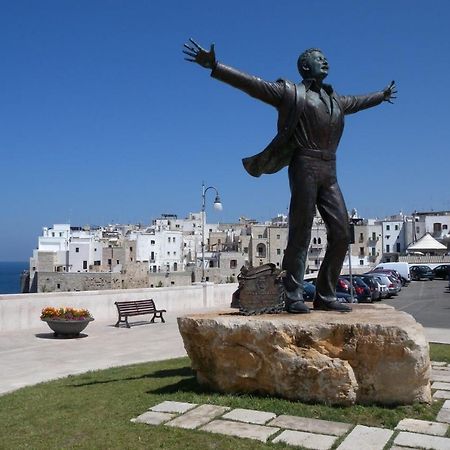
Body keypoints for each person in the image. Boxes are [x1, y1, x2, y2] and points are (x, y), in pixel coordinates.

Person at [184, 39, 397, 313]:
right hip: (304, 166)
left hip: (330, 170)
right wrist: (216, 66)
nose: (326, 61)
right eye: (319, 58)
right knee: (301, 232)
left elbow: (359, 102)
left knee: (342, 233)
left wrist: (381, 95)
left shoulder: (335, 100)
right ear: (306, 66)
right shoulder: (291, 94)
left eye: (325, 57)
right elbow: (253, 86)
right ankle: (293, 294)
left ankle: (325, 294)